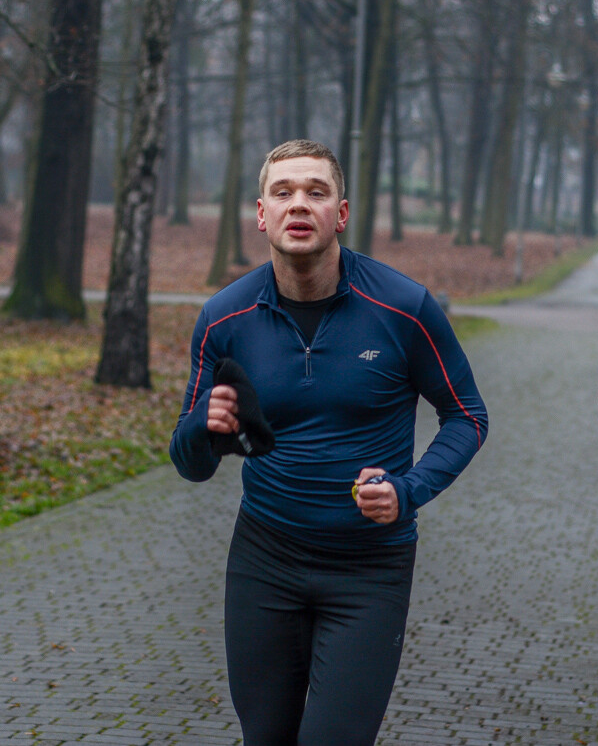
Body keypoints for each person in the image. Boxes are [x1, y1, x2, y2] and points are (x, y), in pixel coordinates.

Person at [168, 139, 488, 746]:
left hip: (368, 571)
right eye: (282, 192)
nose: (299, 205)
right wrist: (203, 428)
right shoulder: (224, 318)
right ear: (260, 214)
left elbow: (467, 415)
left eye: (316, 192)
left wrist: (408, 489)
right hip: (264, 562)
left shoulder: (403, 307)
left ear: (340, 214)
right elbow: (190, 465)